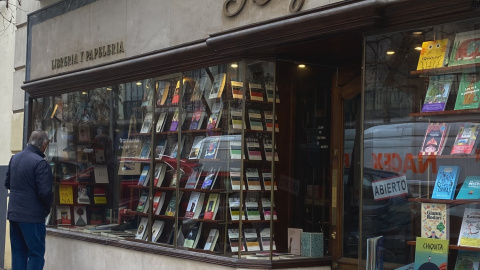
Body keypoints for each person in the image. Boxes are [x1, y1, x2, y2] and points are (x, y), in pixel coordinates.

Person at [4, 130, 53, 270]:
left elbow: (7, 183)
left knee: (18, 252)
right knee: (36, 253)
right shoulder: (40, 163)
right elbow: (45, 193)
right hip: (32, 216)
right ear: (44, 144)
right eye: (47, 144)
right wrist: (46, 209)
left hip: (14, 213)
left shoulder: (15, 158)